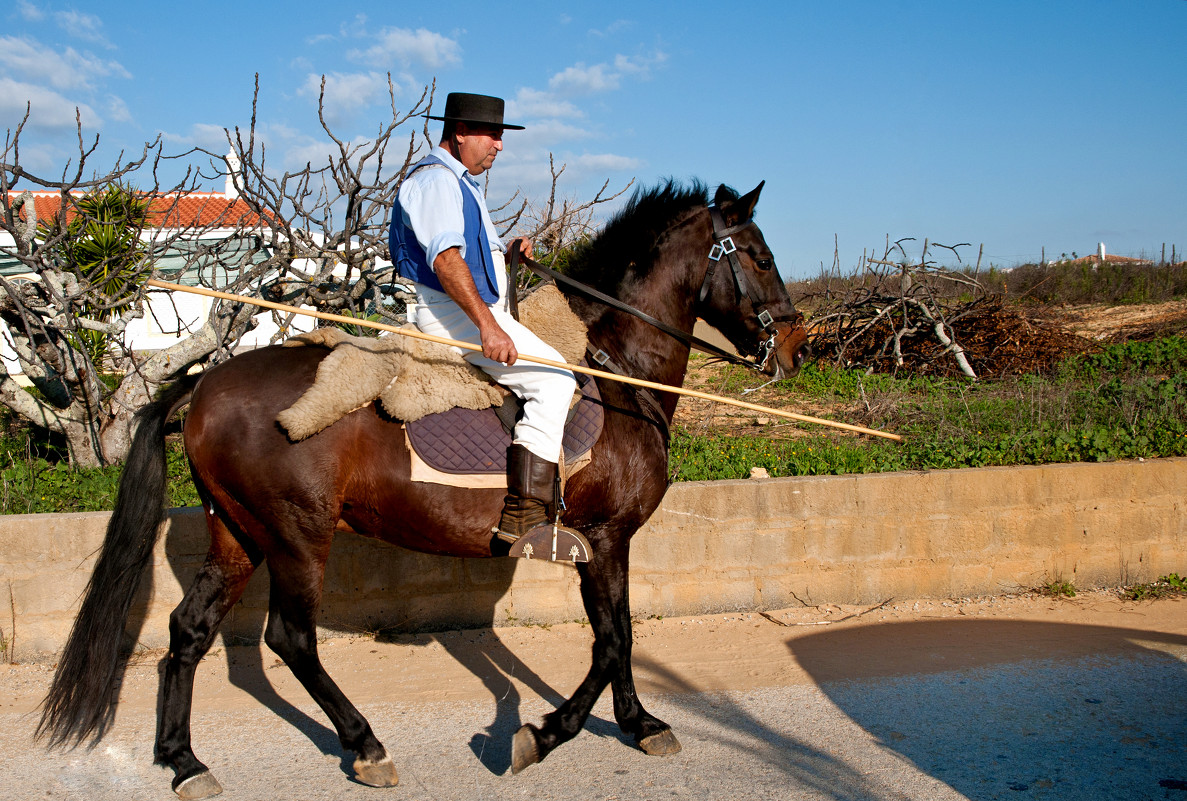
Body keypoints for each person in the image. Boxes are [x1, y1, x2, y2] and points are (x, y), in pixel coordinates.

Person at [389, 92, 583, 558]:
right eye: (493, 135)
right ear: (460, 133)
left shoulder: (463, 184)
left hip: (470, 308)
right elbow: (445, 259)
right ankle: (524, 516)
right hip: (454, 316)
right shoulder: (437, 181)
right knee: (556, 381)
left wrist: (508, 255)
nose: (500, 145)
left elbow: (476, 260)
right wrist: (486, 327)